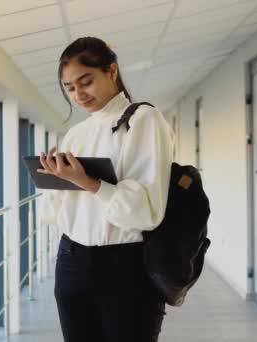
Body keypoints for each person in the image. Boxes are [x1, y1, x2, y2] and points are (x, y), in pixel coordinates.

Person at [38, 37, 175, 342]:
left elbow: (148, 211)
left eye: (86, 81)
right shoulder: (77, 132)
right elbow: (63, 212)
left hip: (125, 265)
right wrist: (56, 178)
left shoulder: (144, 120)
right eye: (70, 88)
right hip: (71, 258)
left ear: (111, 71)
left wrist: (87, 182)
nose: (79, 94)